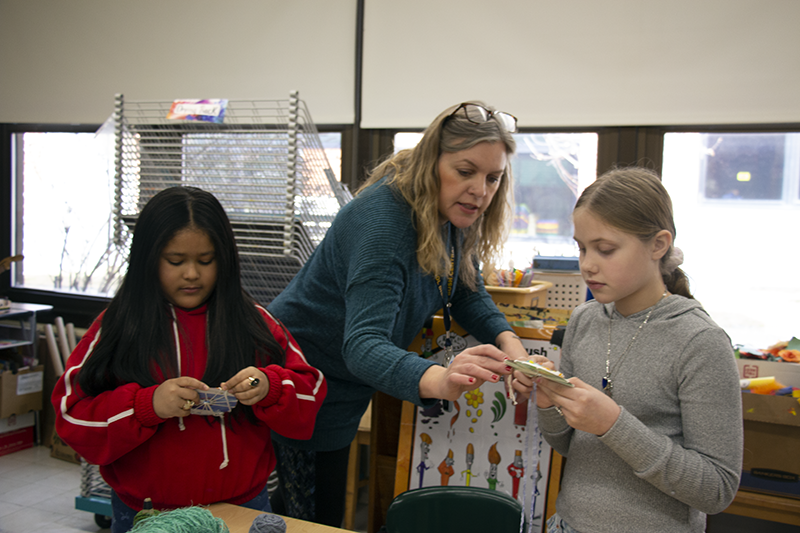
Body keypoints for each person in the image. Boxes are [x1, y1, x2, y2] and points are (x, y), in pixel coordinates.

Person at [267, 101, 537, 526]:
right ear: (432, 162)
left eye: (493, 177)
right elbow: (362, 344)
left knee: (308, 512)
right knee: (312, 519)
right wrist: (439, 380)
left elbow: (463, 288)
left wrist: (511, 344)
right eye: (465, 172)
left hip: (343, 384)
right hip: (302, 380)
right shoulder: (385, 220)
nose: (481, 190)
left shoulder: (449, 215)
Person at [52, 186, 327, 533]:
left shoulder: (254, 322)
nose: (192, 274)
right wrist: (146, 405)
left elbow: (311, 392)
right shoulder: (117, 328)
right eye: (176, 261)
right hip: (147, 514)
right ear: (148, 259)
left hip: (243, 505)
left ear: (224, 259)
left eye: (206, 260)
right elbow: (71, 416)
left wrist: (267, 386)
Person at [519, 168, 742, 533]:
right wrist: (549, 398)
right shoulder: (584, 320)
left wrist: (613, 424)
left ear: (658, 245)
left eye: (605, 249)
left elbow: (716, 489)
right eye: (581, 247)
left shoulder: (700, 342)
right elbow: (567, 445)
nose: (588, 264)